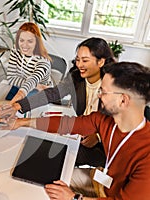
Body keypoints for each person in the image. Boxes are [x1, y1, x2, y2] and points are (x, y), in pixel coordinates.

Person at [5, 62, 150, 199]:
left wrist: (73, 198)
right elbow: (67, 124)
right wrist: (22, 122)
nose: (99, 95)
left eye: (103, 92)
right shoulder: (104, 120)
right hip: (104, 181)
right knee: (47, 184)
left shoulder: (146, 157)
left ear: (123, 100)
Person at [11, 37, 116, 167]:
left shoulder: (114, 85)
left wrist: (98, 136)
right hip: (80, 131)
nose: (79, 65)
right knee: (43, 142)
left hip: (104, 146)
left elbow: (120, 121)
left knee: (56, 155)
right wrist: (19, 105)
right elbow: (53, 93)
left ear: (100, 62)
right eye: (78, 60)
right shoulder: (76, 77)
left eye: (85, 61)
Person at [0, 22, 52, 104]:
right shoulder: (16, 50)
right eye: (21, 40)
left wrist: (11, 104)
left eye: (30, 41)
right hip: (30, 86)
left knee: (22, 107)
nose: (24, 45)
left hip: (40, 90)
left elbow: (32, 80)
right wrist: (36, 85)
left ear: (37, 42)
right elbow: (11, 78)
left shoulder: (43, 62)